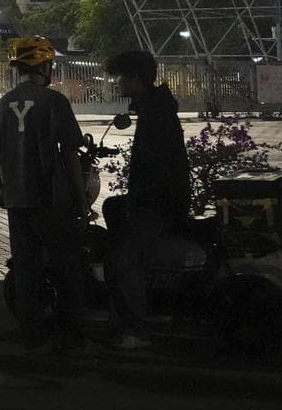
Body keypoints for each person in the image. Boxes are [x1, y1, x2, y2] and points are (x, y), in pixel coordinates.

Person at [0, 35, 89, 353]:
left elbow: (0, 153)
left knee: (26, 269)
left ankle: (31, 334)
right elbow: (71, 154)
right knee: (67, 267)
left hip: (17, 200)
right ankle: (71, 334)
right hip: (51, 197)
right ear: (44, 66)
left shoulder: (2, 104)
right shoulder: (54, 101)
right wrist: (81, 202)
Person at [103, 49, 191, 350]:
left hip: (158, 204)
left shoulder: (155, 113)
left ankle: (137, 330)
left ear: (136, 79)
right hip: (159, 199)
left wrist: (139, 202)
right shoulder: (155, 107)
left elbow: (157, 166)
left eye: (119, 76)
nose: (116, 82)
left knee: (124, 260)